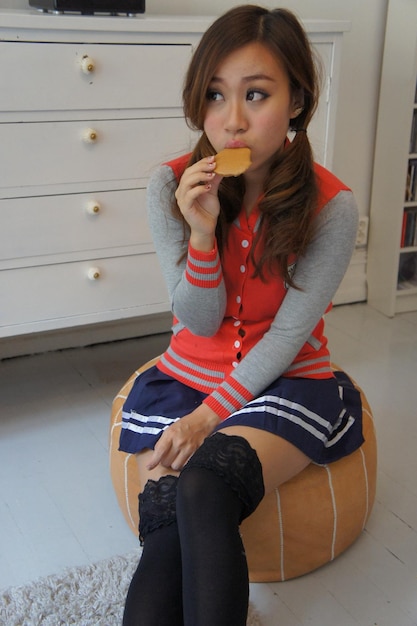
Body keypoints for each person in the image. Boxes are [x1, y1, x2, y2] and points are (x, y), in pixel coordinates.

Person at [119, 5, 364, 625]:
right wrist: (201, 233)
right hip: (187, 376)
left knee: (202, 484)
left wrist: (208, 420)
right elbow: (196, 322)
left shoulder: (331, 207)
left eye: (256, 94)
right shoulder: (169, 187)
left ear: (297, 101)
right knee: (169, 523)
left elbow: (289, 335)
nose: (232, 122)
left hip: (288, 380)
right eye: (215, 96)